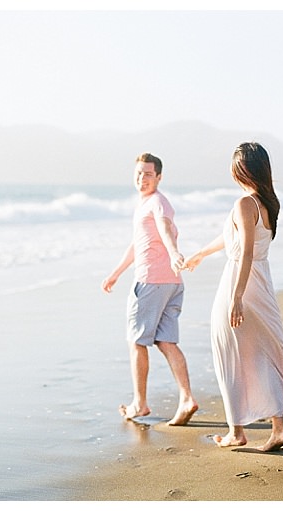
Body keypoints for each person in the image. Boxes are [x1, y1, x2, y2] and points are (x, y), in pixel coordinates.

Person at [184, 142, 283, 451]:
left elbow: (245, 253)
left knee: (229, 354)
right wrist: (201, 253)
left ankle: (236, 431)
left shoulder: (244, 203)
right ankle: (277, 427)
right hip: (262, 284)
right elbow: (234, 239)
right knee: (263, 354)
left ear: (244, 170)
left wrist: (236, 297)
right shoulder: (267, 203)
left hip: (240, 282)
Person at [102, 152, 198, 426]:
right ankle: (187, 398)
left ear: (159, 177)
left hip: (152, 281)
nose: (141, 178)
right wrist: (116, 273)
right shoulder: (144, 204)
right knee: (166, 341)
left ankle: (140, 403)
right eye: (138, 173)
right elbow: (138, 244)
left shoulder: (157, 203)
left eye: (147, 174)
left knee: (137, 341)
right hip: (172, 282)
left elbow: (165, 228)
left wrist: (174, 252)